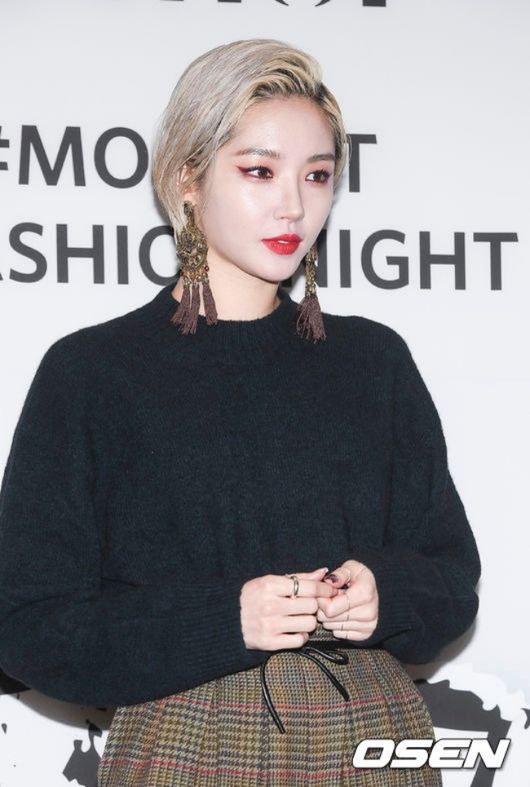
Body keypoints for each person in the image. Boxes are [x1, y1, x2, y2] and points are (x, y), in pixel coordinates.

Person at [0, 39, 480, 786]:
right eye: (259, 170)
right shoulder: (94, 372)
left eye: (317, 175)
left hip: (371, 735)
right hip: (185, 739)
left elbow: (451, 577)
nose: (294, 204)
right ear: (186, 178)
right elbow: (28, 624)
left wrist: (385, 593)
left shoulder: (373, 361)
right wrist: (224, 620)